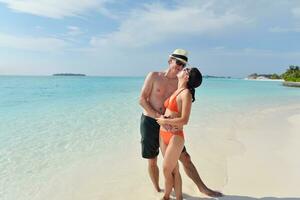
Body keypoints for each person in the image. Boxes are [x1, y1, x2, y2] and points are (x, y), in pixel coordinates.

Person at [139, 49, 223, 197]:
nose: (180, 66)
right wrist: (159, 117)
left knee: (185, 157)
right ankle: (158, 189)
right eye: (178, 62)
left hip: (169, 126)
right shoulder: (154, 76)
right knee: (152, 160)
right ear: (170, 60)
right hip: (150, 121)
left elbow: (181, 104)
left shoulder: (180, 81)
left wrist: (169, 121)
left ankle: (202, 188)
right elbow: (142, 100)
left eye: (183, 64)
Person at [156, 67, 201, 200]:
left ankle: (166, 196)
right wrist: (165, 119)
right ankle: (179, 197)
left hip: (175, 136)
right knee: (174, 170)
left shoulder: (186, 93)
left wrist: (163, 120)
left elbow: (185, 120)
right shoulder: (177, 90)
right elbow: (172, 112)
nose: (182, 69)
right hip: (163, 133)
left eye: (185, 69)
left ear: (186, 77)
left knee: (165, 169)